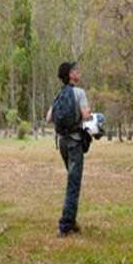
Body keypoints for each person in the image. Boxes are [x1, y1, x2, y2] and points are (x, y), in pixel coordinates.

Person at [46, 60, 91, 237]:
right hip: (74, 142)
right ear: (70, 75)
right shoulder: (79, 93)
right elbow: (86, 115)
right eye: (76, 70)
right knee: (73, 183)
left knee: (72, 180)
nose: (78, 72)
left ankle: (71, 221)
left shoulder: (59, 95)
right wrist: (88, 114)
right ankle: (65, 225)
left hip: (63, 143)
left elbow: (49, 117)